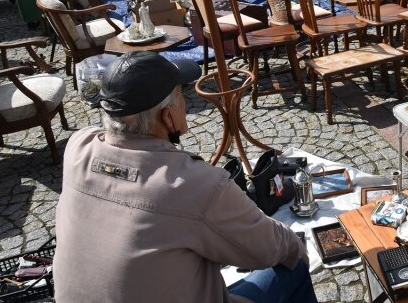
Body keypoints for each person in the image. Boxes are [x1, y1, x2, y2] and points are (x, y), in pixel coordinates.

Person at [53, 52, 317, 303]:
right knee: (294, 267)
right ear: (167, 116)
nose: (185, 105)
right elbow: (267, 248)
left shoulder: (78, 147)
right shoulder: (194, 185)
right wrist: (295, 249)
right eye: (181, 97)